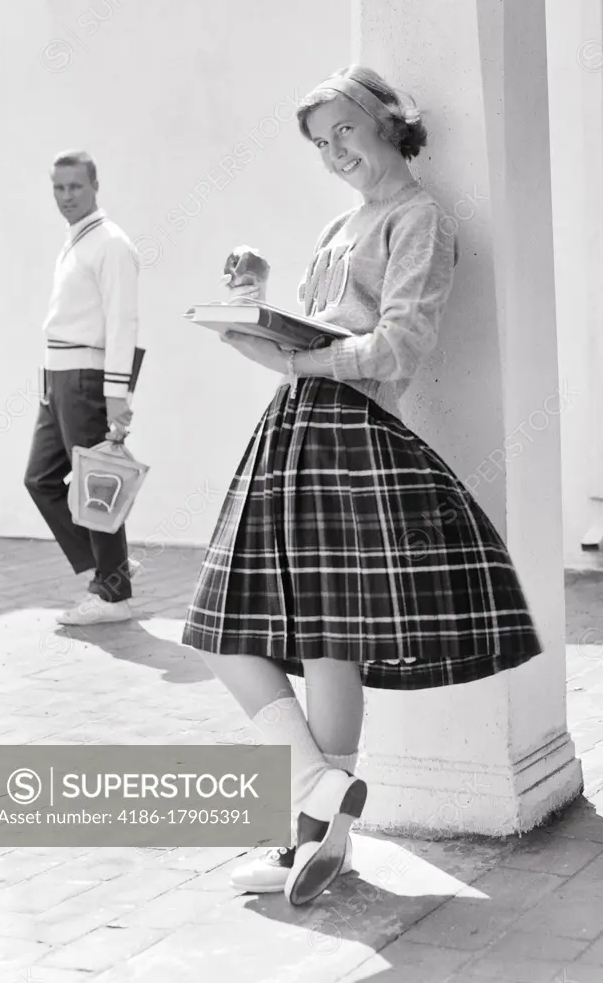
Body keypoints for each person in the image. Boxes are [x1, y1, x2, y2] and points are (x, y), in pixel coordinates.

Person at [182, 66, 542, 906]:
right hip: (295, 423)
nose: (332, 151)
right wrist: (249, 306)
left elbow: (398, 346)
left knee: (246, 632)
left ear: (387, 120)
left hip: (346, 432)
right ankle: (322, 828)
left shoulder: (420, 220)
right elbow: (304, 344)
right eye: (318, 142)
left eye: (343, 129)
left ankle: (313, 804)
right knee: (313, 641)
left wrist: (300, 357)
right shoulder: (340, 223)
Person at [24, 150, 140, 625]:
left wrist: (117, 395)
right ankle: (109, 564)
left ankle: (113, 595)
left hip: (87, 380)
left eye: (75, 186)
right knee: (41, 479)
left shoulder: (111, 244)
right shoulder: (76, 241)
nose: (66, 196)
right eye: (58, 188)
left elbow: (123, 322)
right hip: (58, 378)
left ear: (95, 185)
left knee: (96, 484)